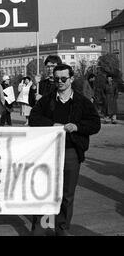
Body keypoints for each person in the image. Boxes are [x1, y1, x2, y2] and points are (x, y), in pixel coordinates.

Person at [29, 64, 101, 236]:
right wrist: (51, 125)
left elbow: (95, 124)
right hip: (47, 153)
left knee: (67, 194)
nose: (60, 82)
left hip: (71, 152)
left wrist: (77, 127)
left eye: (63, 79)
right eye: (57, 79)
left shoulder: (82, 102)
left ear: (71, 79)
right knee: (43, 190)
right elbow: (34, 118)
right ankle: (42, 227)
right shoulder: (46, 100)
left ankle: (62, 228)